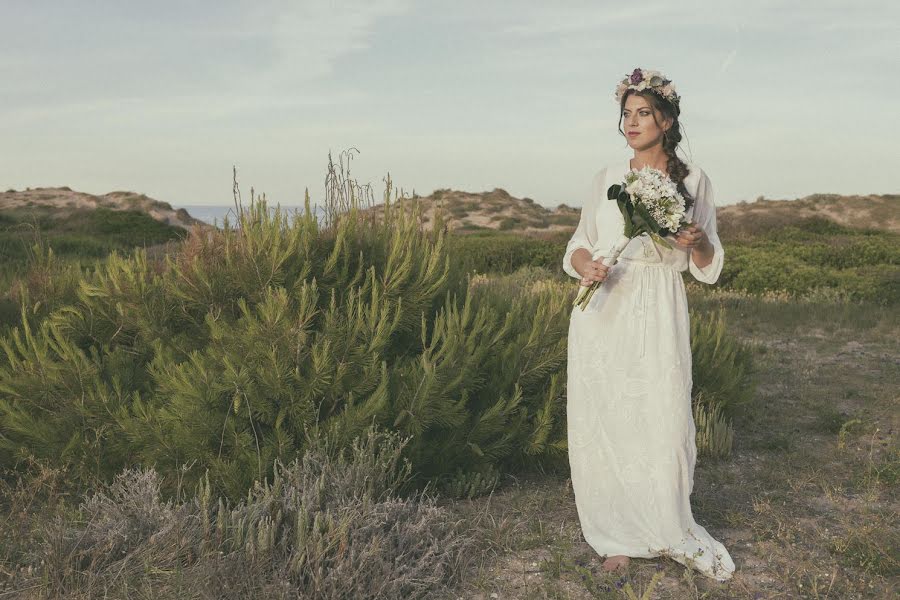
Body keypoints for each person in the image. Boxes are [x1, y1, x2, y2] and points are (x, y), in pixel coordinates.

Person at [562, 67, 736, 582]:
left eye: (643, 113)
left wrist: (695, 242)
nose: (632, 122)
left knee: (659, 417)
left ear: (666, 119)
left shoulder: (694, 180)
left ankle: (661, 524)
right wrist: (584, 266)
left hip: (658, 306)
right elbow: (576, 242)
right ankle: (615, 533)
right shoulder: (604, 178)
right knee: (608, 418)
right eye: (627, 114)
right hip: (604, 304)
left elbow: (709, 262)